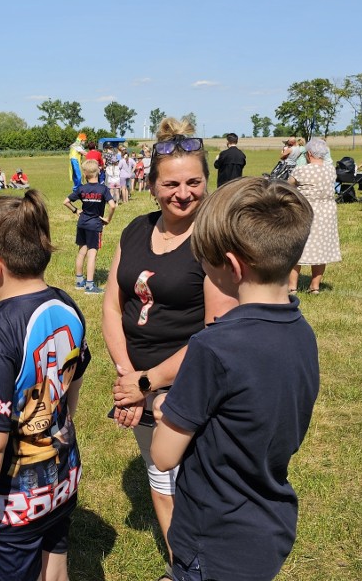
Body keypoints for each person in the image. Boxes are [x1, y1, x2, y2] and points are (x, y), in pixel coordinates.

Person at [150, 176, 319, 581]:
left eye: (205, 260)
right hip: (267, 523)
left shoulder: (214, 347)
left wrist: (163, 407)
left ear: (234, 266)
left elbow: (164, 455)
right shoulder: (302, 331)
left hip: (213, 539)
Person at [104, 117, 236, 577]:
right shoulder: (135, 230)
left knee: (198, 483)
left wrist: (148, 382)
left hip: (188, 385)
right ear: (152, 185)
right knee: (160, 478)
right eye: (172, 184)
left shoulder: (213, 242)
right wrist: (126, 375)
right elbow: (111, 304)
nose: (184, 193)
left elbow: (215, 333)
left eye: (195, 182)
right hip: (136, 380)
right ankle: (185, 569)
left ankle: (212, 567)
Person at [0, 190, 90, 581]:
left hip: (12, 506)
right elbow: (71, 380)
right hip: (59, 484)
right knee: (54, 567)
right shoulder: (66, 305)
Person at [287, 138, 341, 294]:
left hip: (306, 211)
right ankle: (315, 286)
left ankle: (292, 287)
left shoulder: (301, 170)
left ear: (309, 154)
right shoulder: (331, 170)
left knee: (297, 247)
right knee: (321, 249)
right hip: (327, 212)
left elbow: (289, 185)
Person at [63, 159, 116, 294]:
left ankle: (79, 281)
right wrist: (107, 219)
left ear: (85, 174)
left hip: (82, 223)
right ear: (98, 171)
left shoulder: (81, 188)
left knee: (82, 252)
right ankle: (90, 286)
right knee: (92, 254)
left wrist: (76, 211)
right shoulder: (103, 189)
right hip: (95, 224)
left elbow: (66, 202)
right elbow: (113, 205)